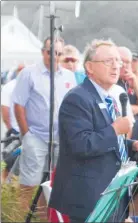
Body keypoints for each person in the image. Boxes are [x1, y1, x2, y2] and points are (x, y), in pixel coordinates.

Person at [48, 39, 138, 223]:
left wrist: (132, 144)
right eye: (109, 61)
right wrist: (115, 129)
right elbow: (82, 145)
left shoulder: (109, 97)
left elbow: (104, 141)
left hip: (110, 192)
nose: (116, 66)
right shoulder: (77, 98)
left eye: (119, 61)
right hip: (89, 195)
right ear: (90, 67)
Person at [12, 36, 77, 215]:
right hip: (37, 136)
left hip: (60, 138)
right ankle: (18, 217)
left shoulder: (69, 76)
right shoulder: (29, 73)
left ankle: (43, 218)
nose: (54, 56)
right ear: (43, 52)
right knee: (29, 182)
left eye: (59, 53)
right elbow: (18, 105)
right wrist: (27, 135)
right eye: (51, 52)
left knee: (54, 184)